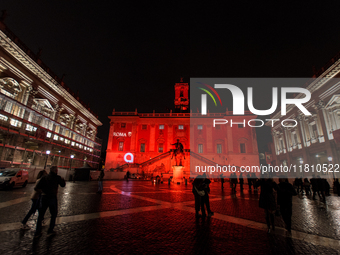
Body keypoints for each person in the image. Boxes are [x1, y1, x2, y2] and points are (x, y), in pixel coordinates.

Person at [34, 166, 65, 237]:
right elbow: (63, 185)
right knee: (53, 214)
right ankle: (50, 230)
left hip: (44, 197)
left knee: (41, 215)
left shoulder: (44, 177)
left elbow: (36, 187)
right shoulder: (57, 178)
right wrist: (63, 180)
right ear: (56, 171)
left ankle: (37, 232)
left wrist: (42, 192)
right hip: (52, 197)